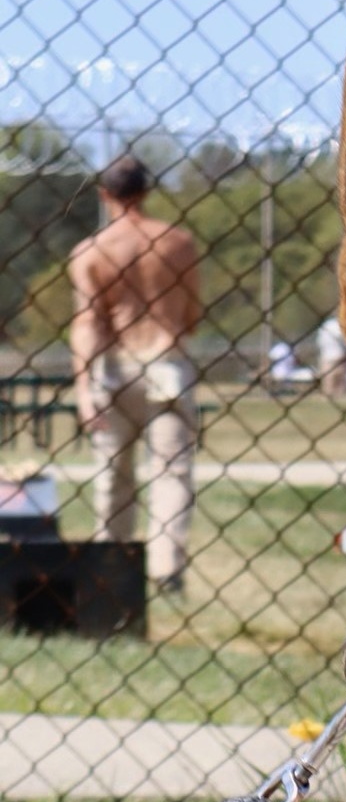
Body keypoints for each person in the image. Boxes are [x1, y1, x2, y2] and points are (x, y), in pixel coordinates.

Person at [69, 155, 202, 597]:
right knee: (172, 472)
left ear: (104, 194)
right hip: (165, 364)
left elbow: (87, 323)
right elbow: (191, 314)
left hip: (113, 367)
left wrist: (85, 387)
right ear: (146, 192)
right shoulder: (178, 243)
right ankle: (167, 569)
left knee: (114, 474)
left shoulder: (91, 252)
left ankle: (113, 562)